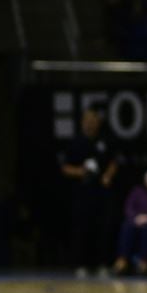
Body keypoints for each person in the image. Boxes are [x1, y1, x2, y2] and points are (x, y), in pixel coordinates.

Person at [60, 108, 121, 276]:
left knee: (103, 227)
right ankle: (80, 265)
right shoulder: (75, 142)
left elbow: (114, 161)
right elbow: (65, 167)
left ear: (98, 122)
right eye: (87, 120)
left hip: (101, 192)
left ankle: (102, 264)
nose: (90, 123)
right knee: (81, 228)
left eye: (93, 120)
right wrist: (80, 172)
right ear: (82, 122)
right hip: (81, 192)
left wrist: (107, 176)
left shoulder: (105, 140)